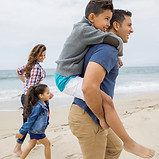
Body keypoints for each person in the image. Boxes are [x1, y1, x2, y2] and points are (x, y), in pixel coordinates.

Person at [68, 9, 155, 159]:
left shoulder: (103, 47)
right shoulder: (107, 50)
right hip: (88, 114)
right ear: (115, 25)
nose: (132, 30)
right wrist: (101, 117)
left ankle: (127, 143)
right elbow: (88, 87)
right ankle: (130, 143)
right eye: (129, 25)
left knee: (114, 148)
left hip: (89, 112)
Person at [55, 0, 123, 101]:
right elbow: (113, 40)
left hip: (68, 76)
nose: (108, 24)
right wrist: (119, 52)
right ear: (92, 17)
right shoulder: (84, 30)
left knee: (102, 96)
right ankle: (102, 117)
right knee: (102, 99)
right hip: (65, 79)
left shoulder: (88, 30)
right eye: (106, 19)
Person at [13, 44, 53, 156]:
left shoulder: (32, 65)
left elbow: (19, 71)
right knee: (29, 121)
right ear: (36, 55)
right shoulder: (35, 67)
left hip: (28, 95)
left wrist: (25, 84)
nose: (44, 57)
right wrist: (41, 94)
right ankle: (18, 147)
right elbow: (32, 86)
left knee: (33, 119)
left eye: (45, 55)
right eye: (41, 55)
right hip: (30, 98)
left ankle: (35, 138)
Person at [16, 84, 51, 159]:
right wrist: (22, 131)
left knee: (31, 145)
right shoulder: (37, 106)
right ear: (41, 95)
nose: (49, 94)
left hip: (35, 130)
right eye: (47, 93)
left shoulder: (45, 102)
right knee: (47, 144)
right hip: (37, 131)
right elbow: (30, 120)